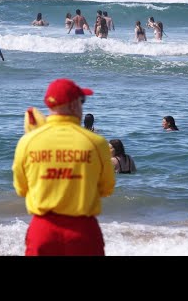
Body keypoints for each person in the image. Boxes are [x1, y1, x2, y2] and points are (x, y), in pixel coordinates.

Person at [12, 78, 116, 256]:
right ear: (74, 105)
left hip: (43, 230)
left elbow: (21, 190)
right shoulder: (97, 143)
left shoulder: (27, 142)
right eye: (82, 101)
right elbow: (107, 188)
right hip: (82, 231)